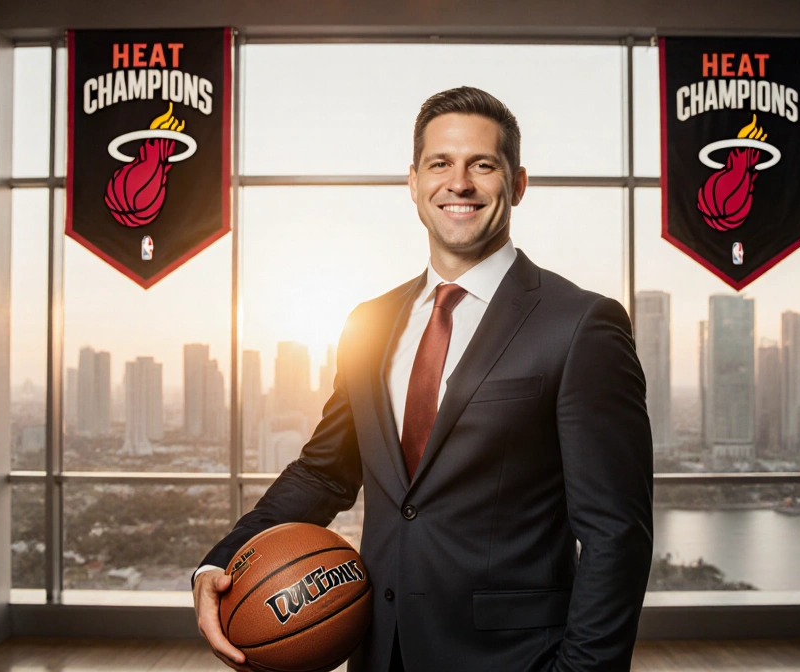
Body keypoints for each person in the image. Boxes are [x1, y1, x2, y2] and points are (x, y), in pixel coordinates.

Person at [193, 86, 653, 672]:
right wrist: (223, 561)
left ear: (517, 184)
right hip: (379, 650)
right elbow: (325, 470)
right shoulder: (369, 322)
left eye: (482, 165)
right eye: (440, 164)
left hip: (513, 658)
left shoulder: (581, 324)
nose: (458, 183)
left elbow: (617, 532)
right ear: (413, 183)